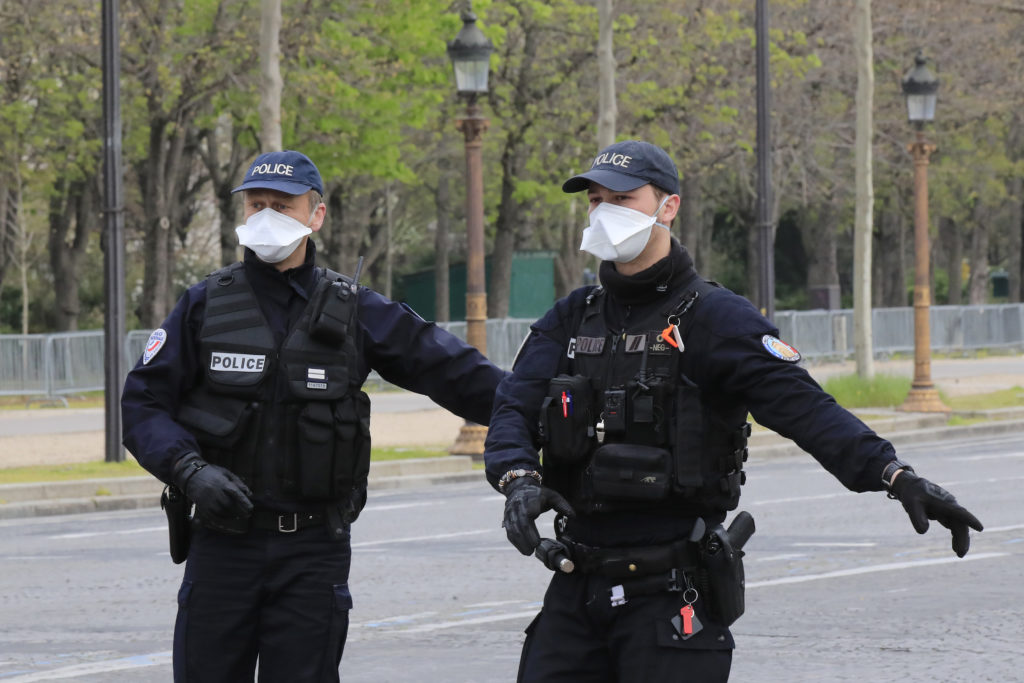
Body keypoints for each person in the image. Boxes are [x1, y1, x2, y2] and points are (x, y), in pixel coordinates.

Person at [483, 140, 984, 682]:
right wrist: (517, 478)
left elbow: (807, 411)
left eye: (622, 199)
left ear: (667, 207)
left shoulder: (717, 319)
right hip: (575, 590)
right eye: (595, 200)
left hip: (670, 594)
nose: (604, 213)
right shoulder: (570, 318)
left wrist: (894, 475)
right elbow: (514, 405)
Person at [122, 150, 505, 682]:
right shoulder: (203, 304)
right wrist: (189, 470)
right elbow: (143, 402)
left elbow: (454, 372)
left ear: (316, 215)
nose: (266, 217)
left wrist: (541, 412)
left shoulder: (356, 310)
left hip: (312, 550)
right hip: (221, 543)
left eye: (282, 205)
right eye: (257, 204)